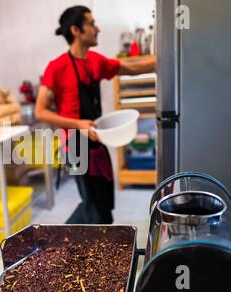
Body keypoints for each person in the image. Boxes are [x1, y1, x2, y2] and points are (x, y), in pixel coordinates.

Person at [35, 5, 156, 224]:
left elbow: (133, 67)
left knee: (103, 205)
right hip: (74, 145)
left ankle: (78, 242)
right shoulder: (57, 68)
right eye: (91, 24)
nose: (97, 28)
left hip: (96, 141)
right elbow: (40, 111)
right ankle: (62, 243)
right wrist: (78, 124)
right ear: (75, 30)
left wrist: (165, 60)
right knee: (94, 209)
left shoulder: (95, 61)